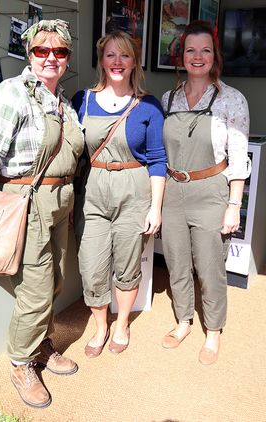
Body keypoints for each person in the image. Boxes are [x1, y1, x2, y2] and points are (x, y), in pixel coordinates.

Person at [0, 19, 84, 408]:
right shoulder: (12, 94)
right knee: (36, 291)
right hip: (27, 203)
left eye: (59, 51)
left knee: (56, 281)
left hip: (61, 203)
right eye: (41, 50)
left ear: (67, 57)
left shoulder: (61, 101)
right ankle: (20, 363)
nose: (50, 58)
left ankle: (41, 345)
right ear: (29, 54)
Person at [160, 20, 251, 365]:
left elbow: (239, 158)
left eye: (205, 50)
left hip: (212, 190)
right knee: (176, 262)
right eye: (190, 50)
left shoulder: (232, 100)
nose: (198, 57)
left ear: (215, 56)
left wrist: (233, 205)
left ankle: (213, 331)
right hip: (173, 189)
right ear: (181, 56)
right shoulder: (169, 98)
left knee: (210, 267)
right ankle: (183, 320)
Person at [72, 31, 166, 358]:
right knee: (92, 266)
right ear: (101, 60)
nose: (117, 62)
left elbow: (157, 159)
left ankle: (122, 323)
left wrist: (155, 207)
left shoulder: (149, 106)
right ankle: (100, 327)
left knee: (127, 265)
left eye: (124, 55)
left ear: (134, 62)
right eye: (111, 55)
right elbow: (71, 153)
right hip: (93, 192)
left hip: (134, 190)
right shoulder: (81, 101)